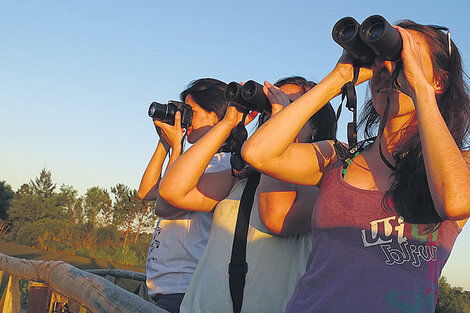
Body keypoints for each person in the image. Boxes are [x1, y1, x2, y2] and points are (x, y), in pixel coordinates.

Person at [241, 20, 470, 312]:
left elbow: (455, 202)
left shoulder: (460, 165)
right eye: (381, 64)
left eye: (403, 61)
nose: (389, 73)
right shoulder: (339, 158)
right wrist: (338, 77)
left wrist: (420, 90)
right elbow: (258, 152)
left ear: (440, 81)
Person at [159, 77, 336, 312]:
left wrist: (280, 125)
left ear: (315, 125)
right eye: (270, 102)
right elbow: (173, 191)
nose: (277, 109)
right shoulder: (245, 176)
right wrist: (227, 124)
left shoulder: (328, 182)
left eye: (292, 105)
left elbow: (275, 214)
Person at [138, 78, 231, 313]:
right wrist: (165, 143)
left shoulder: (225, 165)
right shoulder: (190, 165)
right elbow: (146, 192)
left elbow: (164, 205)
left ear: (215, 116)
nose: (185, 118)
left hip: (186, 288)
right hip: (166, 288)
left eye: (192, 112)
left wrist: (177, 149)